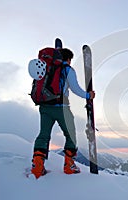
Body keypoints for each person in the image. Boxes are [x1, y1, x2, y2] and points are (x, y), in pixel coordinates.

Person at [31, 48, 95, 178]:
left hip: (44, 107)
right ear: (68, 59)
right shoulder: (67, 70)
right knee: (70, 134)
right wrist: (88, 95)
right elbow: (75, 89)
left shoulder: (46, 68)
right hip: (62, 108)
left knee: (43, 135)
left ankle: (37, 167)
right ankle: (69, 166)